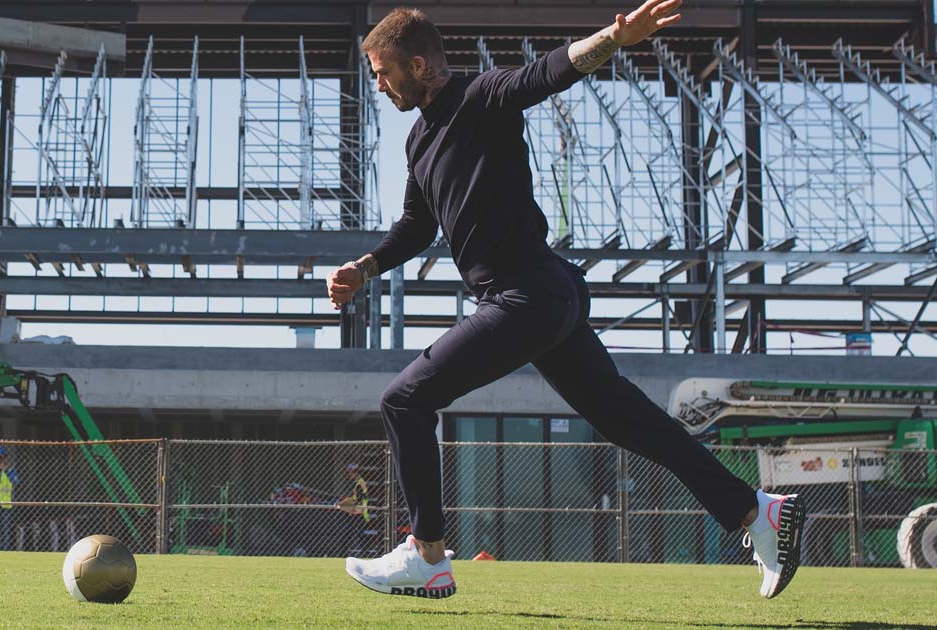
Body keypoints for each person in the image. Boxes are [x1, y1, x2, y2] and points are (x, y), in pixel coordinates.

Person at [333, 1, 805, 600]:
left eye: (382, 71)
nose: (377, 84)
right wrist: (367, 266)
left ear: (419, 64)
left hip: (523, 295)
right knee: (626, 419)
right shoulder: (420, 141)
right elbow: (417, 225)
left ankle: (427, 554)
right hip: (545, 296)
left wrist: (615, 36)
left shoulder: (483, 97)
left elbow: (548, 72)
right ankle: (754, 511)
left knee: (404, 400)